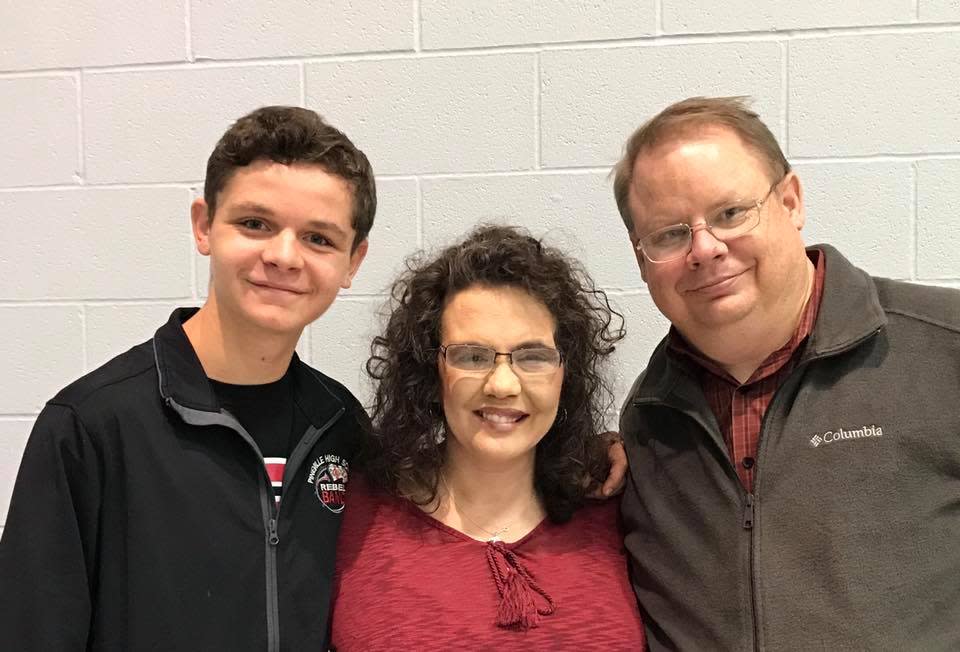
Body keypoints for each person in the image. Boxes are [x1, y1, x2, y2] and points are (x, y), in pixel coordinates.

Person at [0, 106, 374, 650]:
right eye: (255, 224)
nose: (283, 256)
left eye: (319, 238)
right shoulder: (90, 427)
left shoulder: (342, 427)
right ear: (204, 226)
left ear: (353, 261)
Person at [612, 96, 960, 650]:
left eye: (730, 213)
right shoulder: (647, 423)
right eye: (670, 234)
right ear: (640, 257)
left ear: (792, 201)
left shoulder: (944, 350)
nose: (704, 249)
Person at [330, 225, 645, 650]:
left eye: (533, 356)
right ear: (430, 368)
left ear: (565, 373)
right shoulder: (355, 516)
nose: (502, 384)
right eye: (472, 356)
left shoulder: (616, 505)